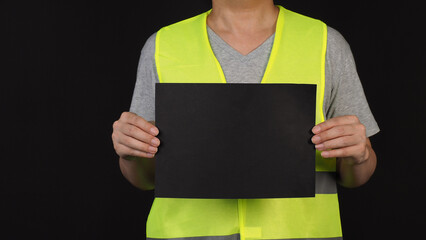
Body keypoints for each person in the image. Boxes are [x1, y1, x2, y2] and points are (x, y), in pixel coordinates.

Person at [112, 0, 379, 239]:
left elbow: (356, 176)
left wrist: (361, 155)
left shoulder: (325, 43)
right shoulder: (162, 46)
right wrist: (130, 154)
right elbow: (144, 178)